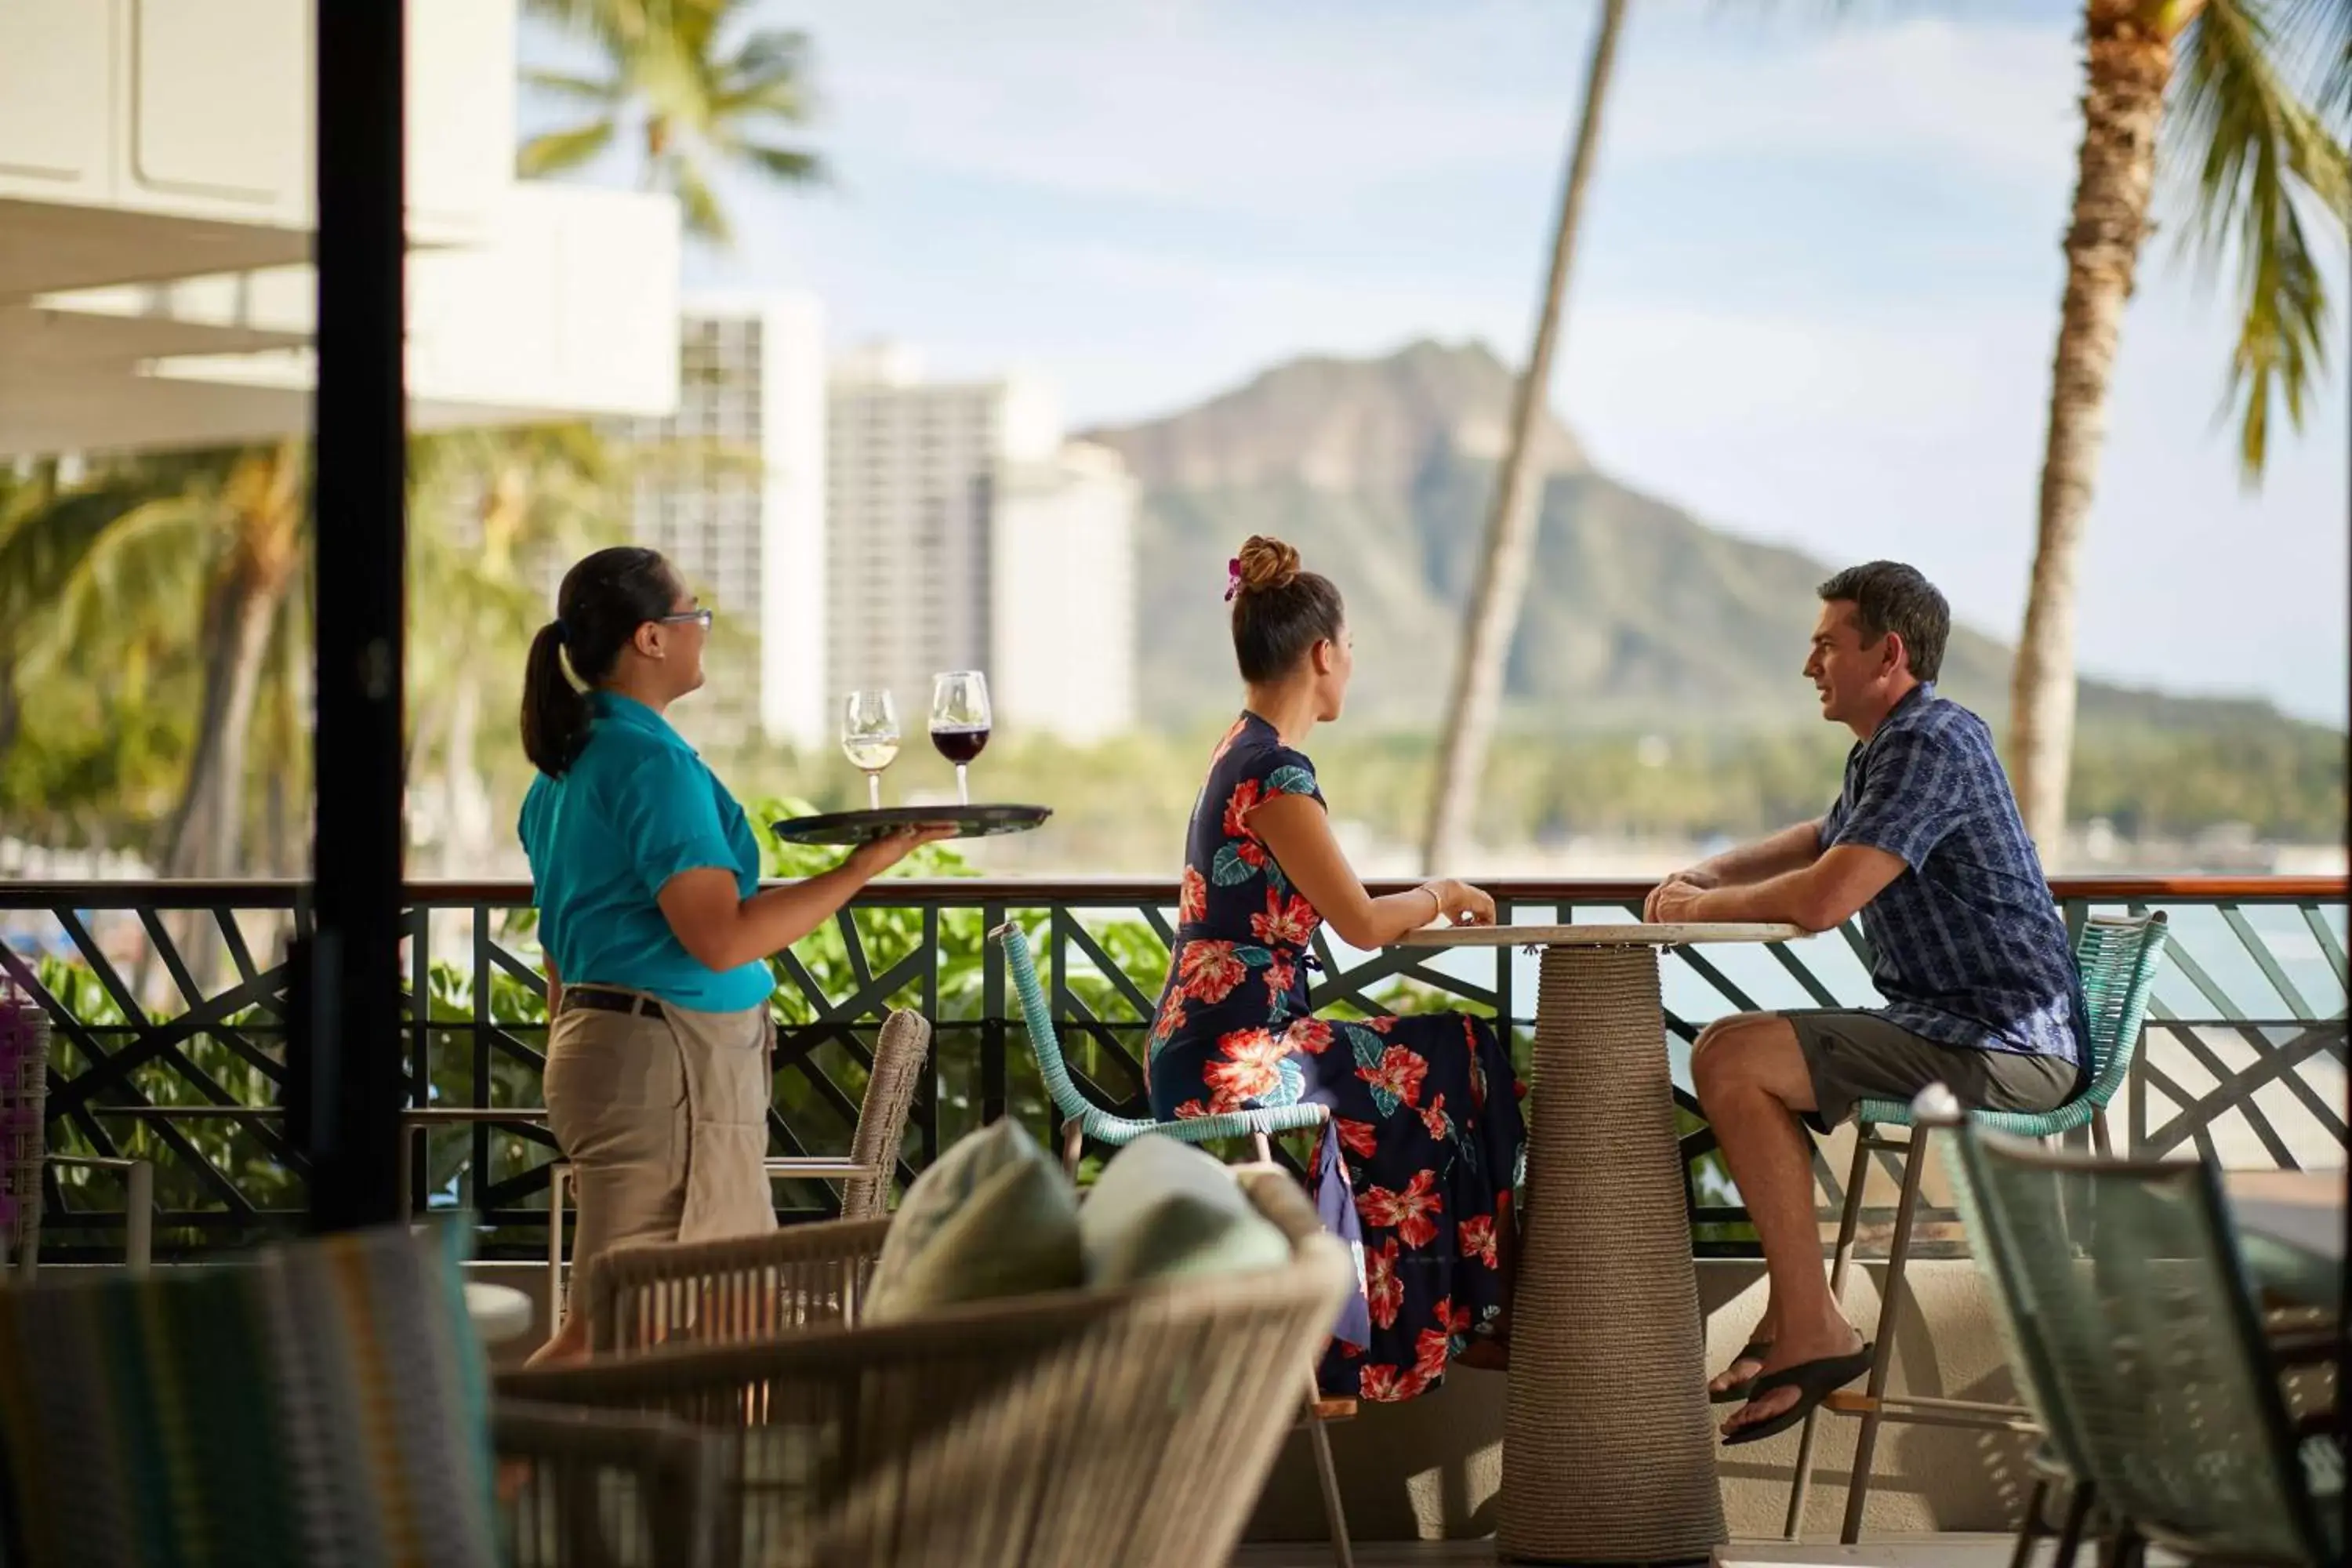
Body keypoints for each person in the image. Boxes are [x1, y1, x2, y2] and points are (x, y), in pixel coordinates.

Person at [1643, 561, 2085, 1443]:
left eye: (1825, 644)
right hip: (1959, 1026)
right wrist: (1714, 869)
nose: (1810, 664)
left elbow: (1820, 898)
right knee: (1732, 1042)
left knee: (1732, 1057)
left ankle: (1812, 1323)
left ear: (1888, 652)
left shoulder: (1931, 741)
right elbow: (1823, 834)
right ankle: (1800, 1314)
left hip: (2005, 1044)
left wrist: (1697, 909)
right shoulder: (1892, 745)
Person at [517, 546, 948, 1365]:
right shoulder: (649, 764)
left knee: (739, 1312)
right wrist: (857, 870)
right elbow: (720, 935)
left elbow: (560, 952)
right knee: (612, 1328)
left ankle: (718, 1492)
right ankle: (469, 1486)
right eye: (694, 614)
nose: (702, 629)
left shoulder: (569, 768)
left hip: (637, 1054)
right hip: (663, 1066)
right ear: (651, 638)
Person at [1145, 535, 1528, 1403]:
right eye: (1350, 648)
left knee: (1451, 1051)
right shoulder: (1275, 770)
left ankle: (1449, 1316)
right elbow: (1360, 922)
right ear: (1322, 654)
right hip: (1232, 1055)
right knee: (1458, 1055)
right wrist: (1443, 889)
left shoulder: (1237, 747)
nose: (1351, 663)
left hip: (1228, 1040)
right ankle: (1466, 1316)